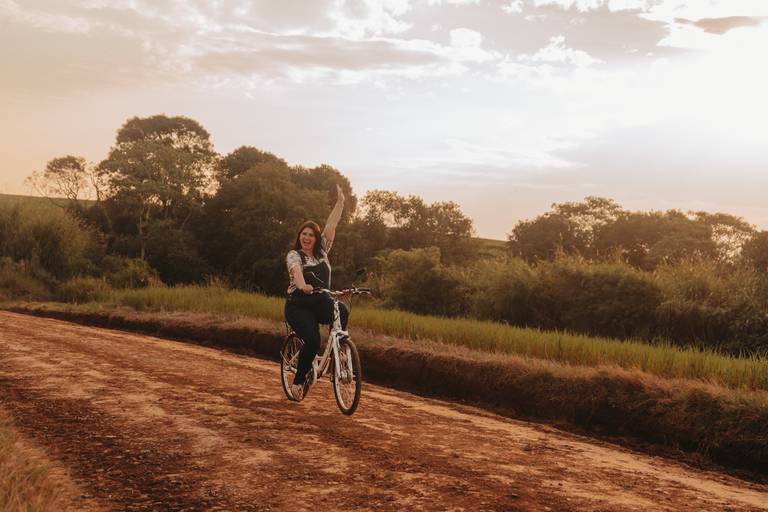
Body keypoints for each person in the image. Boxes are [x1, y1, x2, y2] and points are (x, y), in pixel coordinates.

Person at [285, 184, 348, 401]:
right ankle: (299, 381)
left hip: (320, 301)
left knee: (342, 309)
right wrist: (303, 285)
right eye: (304, 234)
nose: (307, 237)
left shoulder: (323, 252)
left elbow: (332, 224)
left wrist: (340, 203)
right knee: (312, 340)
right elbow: (296, 273)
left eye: (311, 235)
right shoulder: (294, 255)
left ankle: (338, 351)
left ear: (317, 238)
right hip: (298, 304)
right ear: (299, 236)